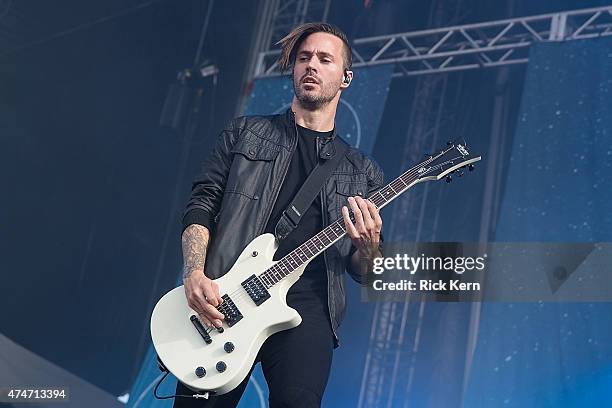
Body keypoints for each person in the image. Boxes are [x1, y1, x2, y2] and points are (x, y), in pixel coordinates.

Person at [176, 22, 384, 408]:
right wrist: (194, 273)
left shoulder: (362, 172)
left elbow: (364, 272)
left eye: (325, 59)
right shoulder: (246, 133)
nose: (312, 66)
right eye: (304, 58)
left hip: (307, 309)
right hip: (227, 297)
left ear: (345, 78)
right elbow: (202, 204)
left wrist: (368, 246)